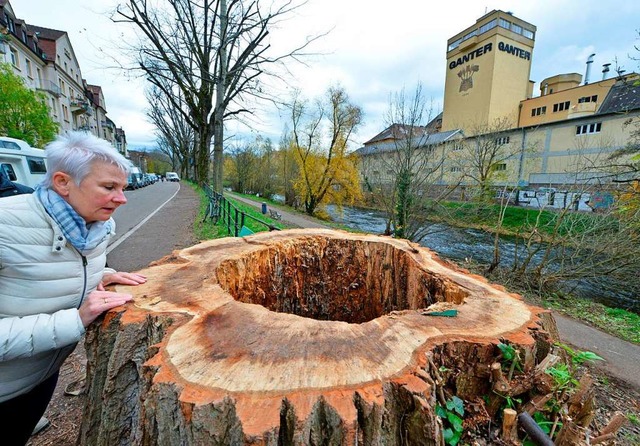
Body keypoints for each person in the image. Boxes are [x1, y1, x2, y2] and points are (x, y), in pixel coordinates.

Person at [0, 132, 147, 445]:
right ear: (63, 182)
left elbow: (54, 272)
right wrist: (75, 320)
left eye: (122, 187)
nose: (122, 198)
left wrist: (100, 275)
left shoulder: (95, 226)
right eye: (109, 187)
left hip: (41, 376)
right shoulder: (5, 225)